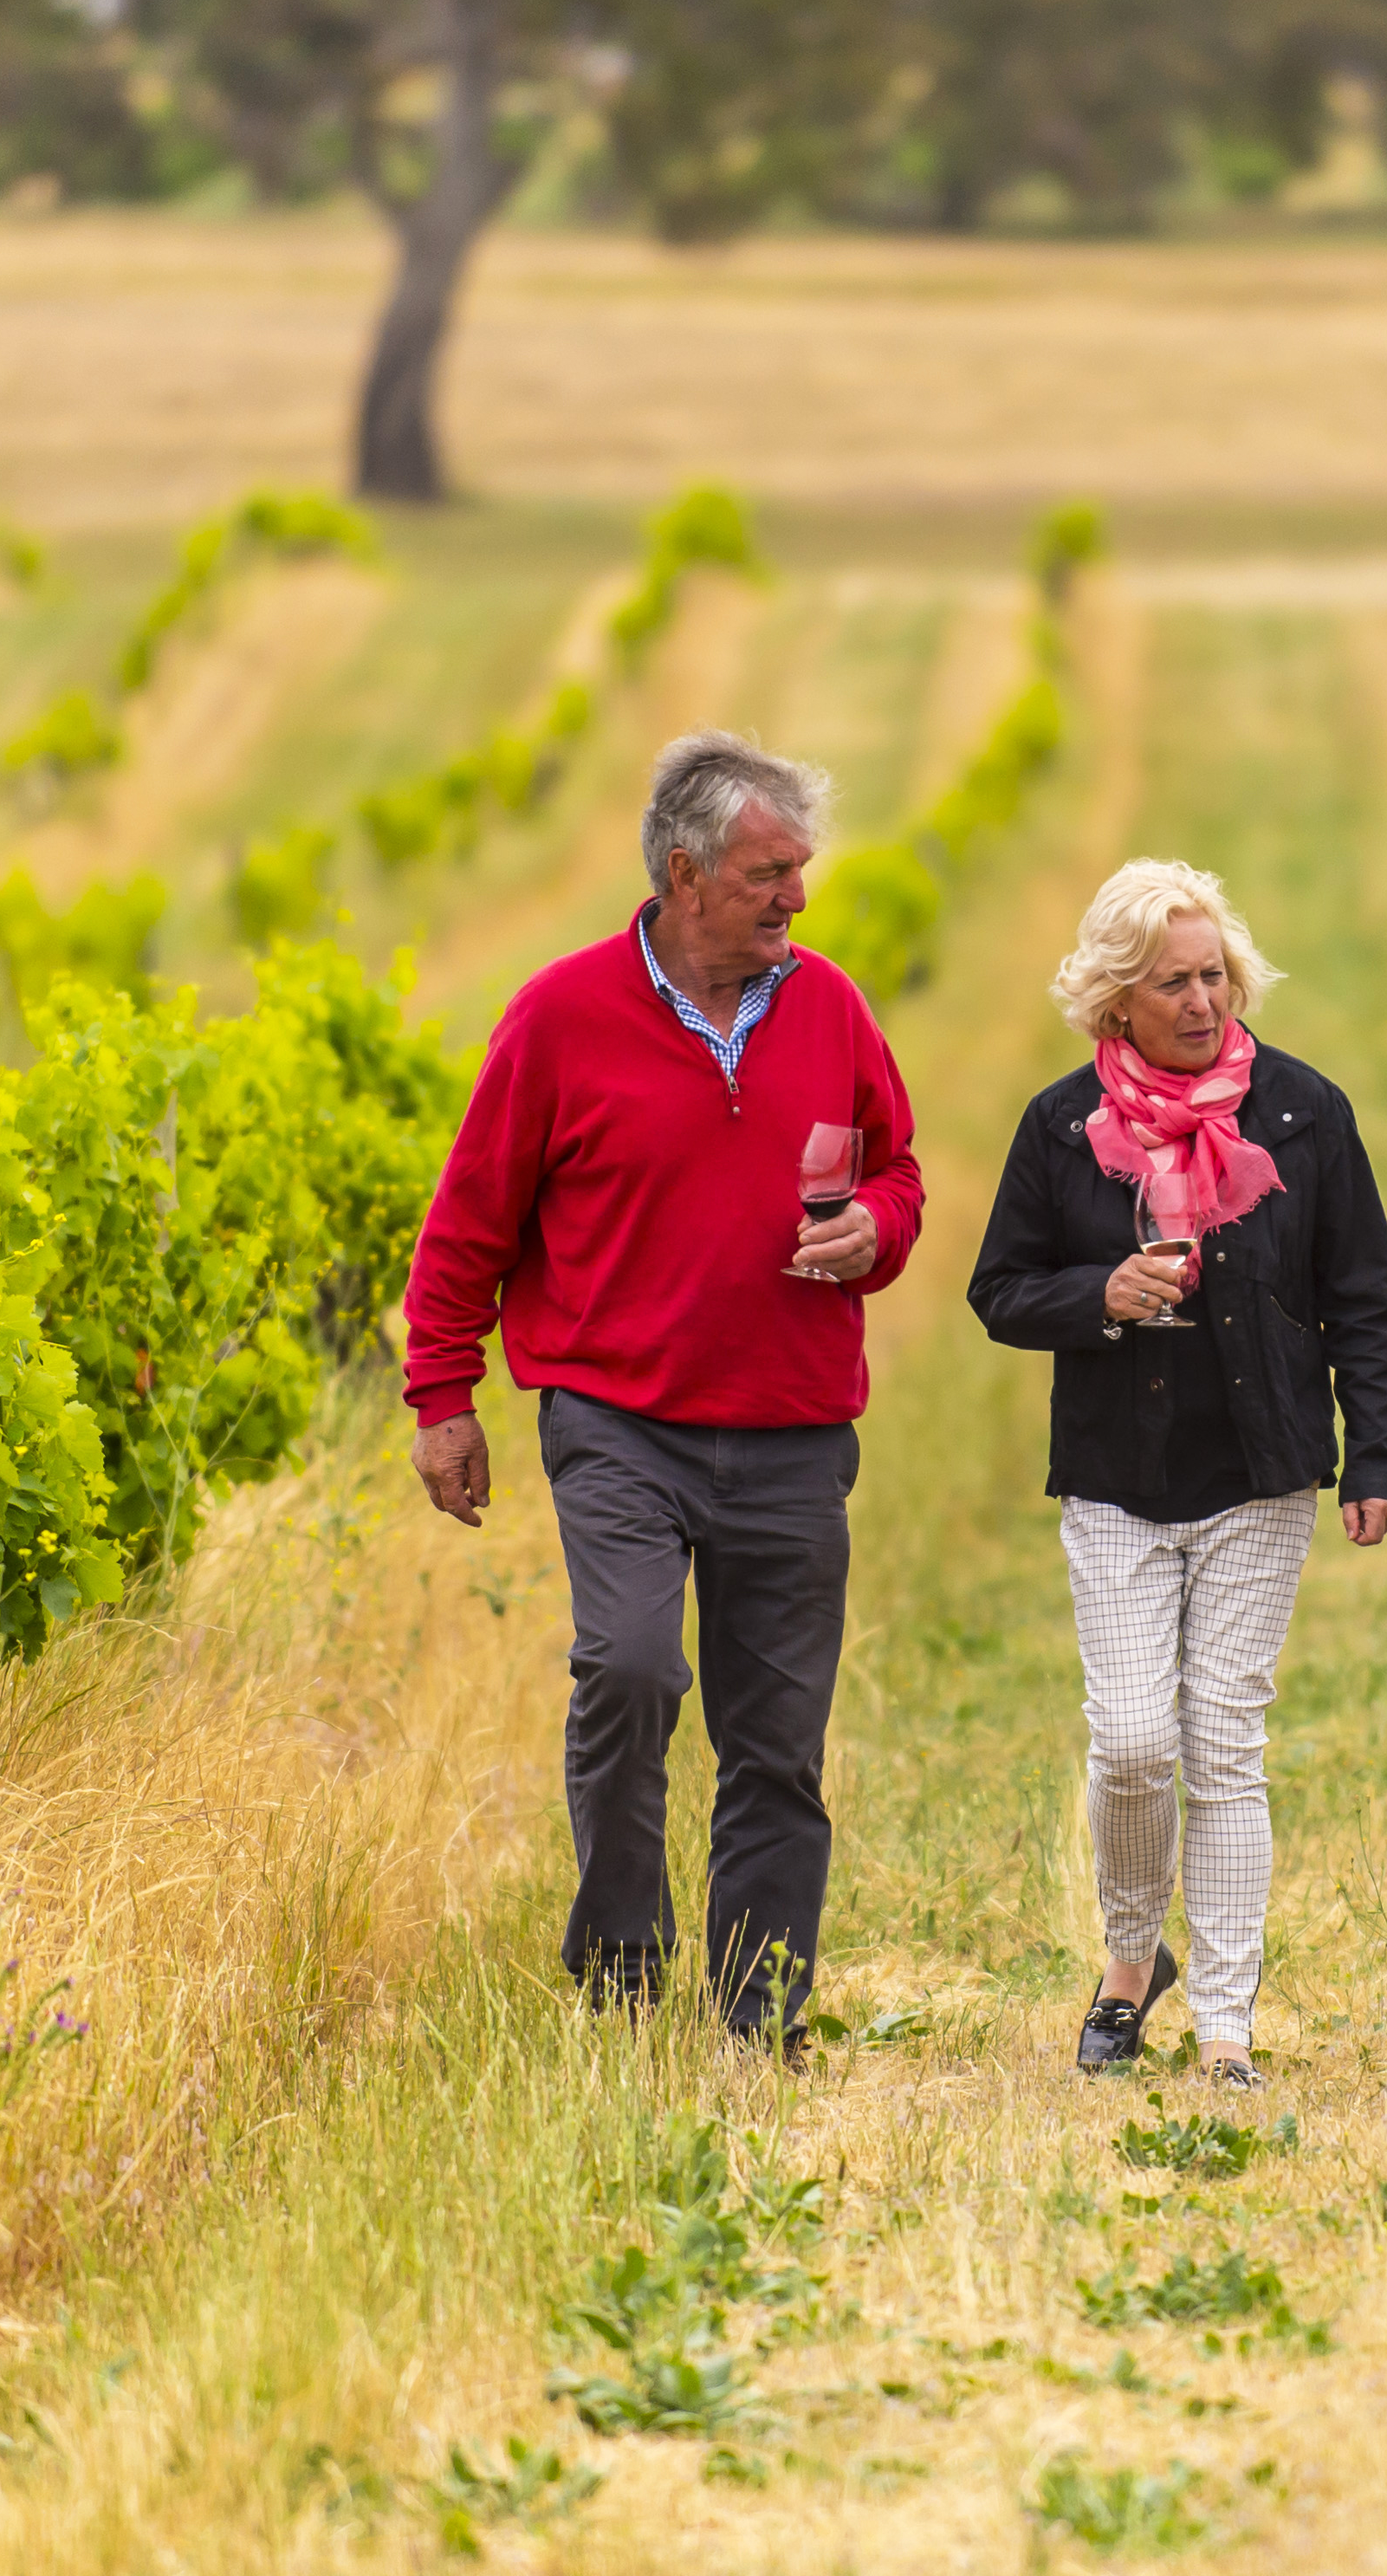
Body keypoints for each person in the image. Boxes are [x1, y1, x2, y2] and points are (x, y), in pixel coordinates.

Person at [402, 730, 924, 2056]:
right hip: (617, 1417)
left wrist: (878, 1225)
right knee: (629, 1669)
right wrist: (440, 1396)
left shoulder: (833, 1009)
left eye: (802, 870)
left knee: (776, 1740)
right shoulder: (561, 1017)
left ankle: (758, 2014)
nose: (797, 898)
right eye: (770, 872)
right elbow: (468, 1224)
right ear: (683, 874)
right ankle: (624, 1964)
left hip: (796, 1425)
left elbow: (898, 1169)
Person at [969, 860, 1387, 2089]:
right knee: (1128, 1744)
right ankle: (1129, 1959)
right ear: (1118, 999)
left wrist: (1378, 1452)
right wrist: (1096, 1297)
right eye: (1174, 982)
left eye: (1216, 974)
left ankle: (1225, 2027)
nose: (1205, 1001)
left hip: (1259, 1474)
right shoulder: (1062, 1129)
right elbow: (997, 1290)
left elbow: (1367, 1301)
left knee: (1222, 1745)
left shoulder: (1305, 1115)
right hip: (1116, 1477)